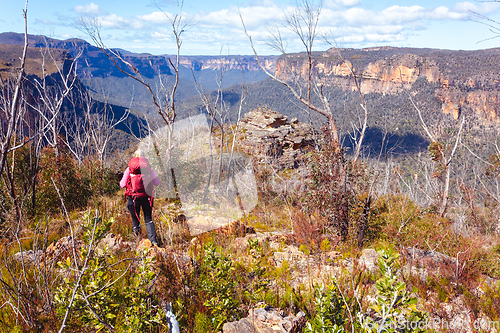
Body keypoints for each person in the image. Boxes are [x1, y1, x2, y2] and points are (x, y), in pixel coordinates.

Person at [120, 151, 161, 246]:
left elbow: (122, 185)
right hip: (147, 198)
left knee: (136, 221)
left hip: (133, 199)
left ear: (134, 157)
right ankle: (153, 242)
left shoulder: (129, 170)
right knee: (148, 219)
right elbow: (157, 182)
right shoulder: (150, 169)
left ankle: (138, 243)